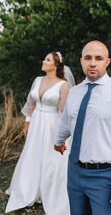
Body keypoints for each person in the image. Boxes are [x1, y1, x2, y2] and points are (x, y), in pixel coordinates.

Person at [54, 41, 111, 215]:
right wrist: (58, 140)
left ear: (107, 62)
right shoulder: (74, 92)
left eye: (98, 58)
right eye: (88, 58)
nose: (93, 63)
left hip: (105, 176)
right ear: (81, 61)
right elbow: (67, 121)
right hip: (74, 172)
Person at [5, 52, 73, 215]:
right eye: (44, 59)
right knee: (33, 154)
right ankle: (29, 188)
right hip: (36, 122)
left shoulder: (64, 85)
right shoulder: (37, 80)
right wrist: (27, 122)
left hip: (52, 124)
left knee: (52, 158)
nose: (43, 61)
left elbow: (64, 111)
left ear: (56, 66)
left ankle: (51, 192)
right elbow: (32, 103)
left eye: (47, 60)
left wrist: (63, 135)